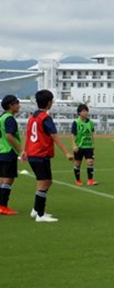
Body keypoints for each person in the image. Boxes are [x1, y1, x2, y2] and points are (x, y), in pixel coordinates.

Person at [23, 89, 73, 222]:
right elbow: (55, 137)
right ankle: (40, 215)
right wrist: (67, 152)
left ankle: (36, 209)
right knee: (44, 183)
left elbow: (28, 135)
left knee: (46, 181)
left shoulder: (33, 117)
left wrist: (24, 150)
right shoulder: (45, 118)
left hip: (33, 153)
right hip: (40, 154)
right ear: (49, 103)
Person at [0, 95, 23, 215]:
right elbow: (9, 136)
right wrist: (20, 149)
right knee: (8, 179)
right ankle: (3, 206)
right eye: (17, 103)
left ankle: (1, 205)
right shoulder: (9, 119)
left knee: (2, 179)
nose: (19, 105)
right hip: (9, 151)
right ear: (10, 105)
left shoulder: (2, 117)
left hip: (1, 151)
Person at [71, 104, 98, 186]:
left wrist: (93, 142)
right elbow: (72, 134)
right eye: (83, 111)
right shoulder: (76, 122)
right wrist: (74, 145)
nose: (85, 112)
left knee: (90, 162)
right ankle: (78, 180)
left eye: (86, 111)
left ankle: (90, 180)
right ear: (79, 113)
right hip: (79, 146)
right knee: (77, 163)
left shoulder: (91, 122)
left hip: (89, 146)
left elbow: (93, 132)